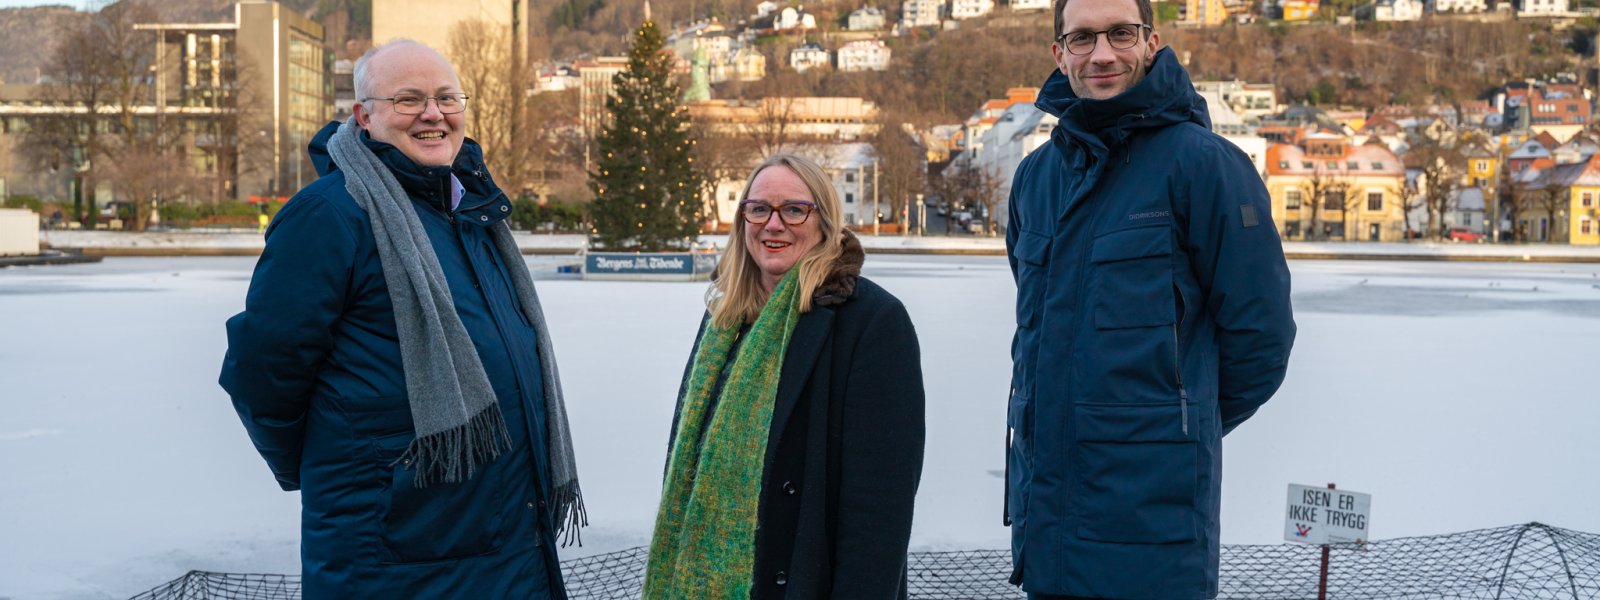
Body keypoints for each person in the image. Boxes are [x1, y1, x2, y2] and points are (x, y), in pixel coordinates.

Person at [218, 40, 584, 599]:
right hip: (398, 553)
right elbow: (263, 367)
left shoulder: (472, 214)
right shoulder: (331, 215)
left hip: (504, 540)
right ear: (364, 116)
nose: (433, 114)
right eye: (408, 100)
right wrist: (348, 467)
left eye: (445, 98)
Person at [1003, 0, 1297, 598]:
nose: (1103, 53)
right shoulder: (1035, 179)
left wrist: (1169, 428)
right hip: (1048, 536)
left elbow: (1261, 343)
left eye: (1120, 33)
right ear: (1059, 54)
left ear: (1151, 42)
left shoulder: (1205, 166)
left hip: (1154, 543)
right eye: (1082, 38)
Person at [643, 154, 926, 599]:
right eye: (759, 209)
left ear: (824, 221)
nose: (773, 225)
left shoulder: (870, 321)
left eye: (794, 210)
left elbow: (880, 511)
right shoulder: (724, 320)